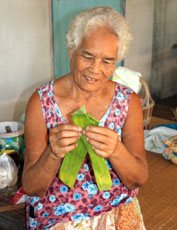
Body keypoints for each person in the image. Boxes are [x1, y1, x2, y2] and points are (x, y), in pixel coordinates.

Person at [22, 6, 148, 230]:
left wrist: (115, 150)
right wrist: (53, 152)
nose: (95, 69)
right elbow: (32, 188)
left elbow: (138, 178)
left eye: (108, 61)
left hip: (117, 212)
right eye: (88, 56)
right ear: (72, 51)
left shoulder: (128, 102)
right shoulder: (41, 102)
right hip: (60, 218)